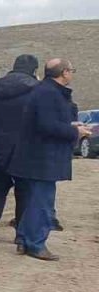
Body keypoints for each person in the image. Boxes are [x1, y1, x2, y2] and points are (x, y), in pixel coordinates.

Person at [8, 59, 89, 260]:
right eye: (71, 70)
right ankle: (35, 244)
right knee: (42, 202)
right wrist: (74, 131)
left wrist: (71, 125)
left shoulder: (46, 91)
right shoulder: (47, 93)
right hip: (42, 157)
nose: (72, 74)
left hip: (39, 156)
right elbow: (46, 125)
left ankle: (25, 239)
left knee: (35, 200)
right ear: (63, 73)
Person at [0, 55, 38, 237]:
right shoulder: (36, 89)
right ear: (34, 70)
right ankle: (21, 231)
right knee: (24, 189)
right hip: (25, 146)